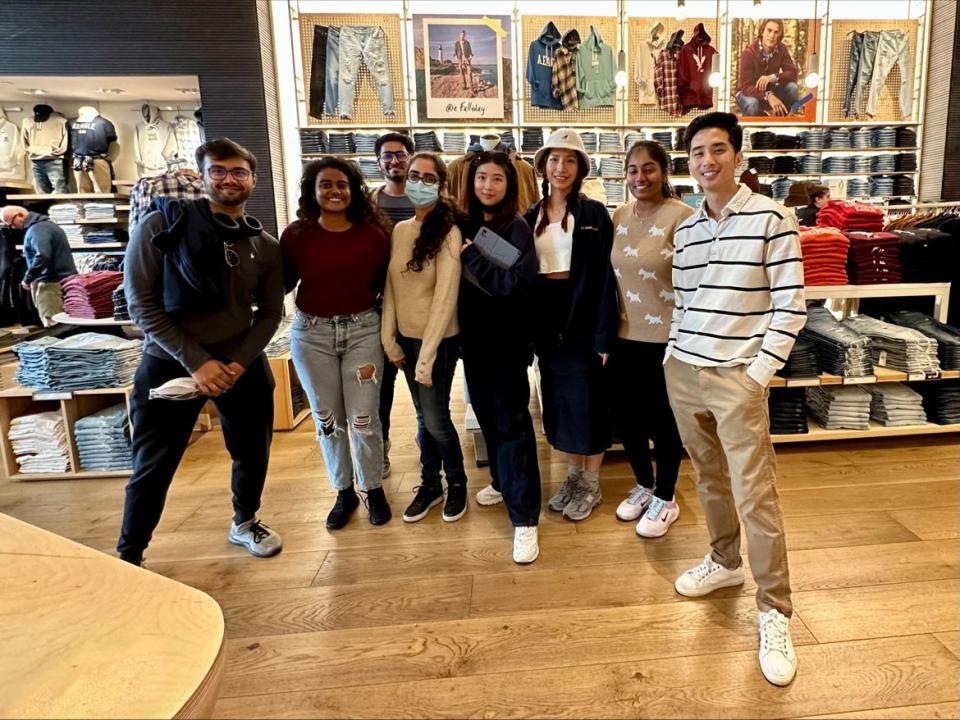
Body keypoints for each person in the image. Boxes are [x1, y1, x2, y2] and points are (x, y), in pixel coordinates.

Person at [666, 112, 805, 686]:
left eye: (717, 149)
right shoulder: (689, 231)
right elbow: (683, 301)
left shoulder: (773, 218)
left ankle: (775, 610)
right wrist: (671, 354)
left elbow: (790, 305)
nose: (706, 161)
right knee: (707, 480)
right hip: (684, 371)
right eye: (697, 153)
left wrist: (757, 375)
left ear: (738, 156)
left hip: (736, 377)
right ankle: (724, 562)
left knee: (756, 494)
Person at [117, 137, 284, 566]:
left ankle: (245, 521)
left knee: (252, 450)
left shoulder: (262, 243)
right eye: (219, 170)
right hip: (167, 362)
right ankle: (130, 553)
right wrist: (198, 362)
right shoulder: (160, 227)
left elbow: (269, 313)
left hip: (239, 364)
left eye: (238, 172)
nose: (229, 179)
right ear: (203, 176)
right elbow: (142, 305)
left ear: (253, 179)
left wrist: (236, 364)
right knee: (153, 464)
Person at [282, 157, 392, 530]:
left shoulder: (374, 236)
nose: (334, 191)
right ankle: (343, 491)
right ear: (313, 191)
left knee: (364, 419)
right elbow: (281, 283)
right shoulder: (296, 236)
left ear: (353, 190)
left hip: (363, 331)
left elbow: (383, 286)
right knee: (328, 420)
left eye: (341, 184)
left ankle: (373, 487)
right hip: (312, 336)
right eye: (325, 184)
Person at [523, 129, 616, 522]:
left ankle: (590, 483)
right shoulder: (531, 215)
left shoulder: (593, 214)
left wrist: (605, 334)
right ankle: (574, 476)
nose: (561, 168)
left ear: (580, 168)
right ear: (543, 166)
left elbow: (609, 277)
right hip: (547, 322)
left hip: (584, 318)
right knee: (560, 404)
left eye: (570, 160)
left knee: (589, 403)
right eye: (554, 160)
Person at [459, 151, 542, 563]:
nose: (487, 186)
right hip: (473, 343)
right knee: (487, 417)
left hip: (508, 345)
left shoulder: (518, 228)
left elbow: (515, 287)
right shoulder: (466, 224)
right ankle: (500, 480)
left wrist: (473, 255)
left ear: (510, 185)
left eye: (496, 179)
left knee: (512, 425)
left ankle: (525, 520)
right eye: (481, 178)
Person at [608, 141, 693, 537]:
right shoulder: (619, 215)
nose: (640, 178)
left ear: (664, 171)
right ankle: (644, 483)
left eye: (649, 169)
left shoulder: (684, 217)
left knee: (663, 422)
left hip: (667, 339)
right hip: (625, 335)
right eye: (632, 170)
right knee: (627, 419)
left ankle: (667, 496)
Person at [381, 152, 467, 523]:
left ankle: (457, 484)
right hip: (407, 342)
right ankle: (430, 484)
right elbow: (392, 290)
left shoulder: (449, 232)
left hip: (439, 343)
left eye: (428, 178)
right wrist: (390, 342)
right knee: (422, 418)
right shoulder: (400, 231)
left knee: (436, 419)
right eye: (414, 175)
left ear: (441, 186)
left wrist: (427, 355)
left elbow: (446, 298)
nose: (418, 182)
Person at [371, 132, 417, 479]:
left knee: (424, 385)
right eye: (387, 155)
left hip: (418, 307)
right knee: (380, 387)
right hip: (376, 307)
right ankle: (381, 448)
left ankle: (426, 442)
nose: (394, 161)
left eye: (400, 155)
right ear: (378, 161)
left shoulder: (428, 202)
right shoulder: (367, 206)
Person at [1, 204, 77, 327]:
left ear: (20, 215)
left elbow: (42, 255)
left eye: (11, 223)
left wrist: (28, 278)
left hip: (50, 284)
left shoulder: (37, 230)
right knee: (66, 323)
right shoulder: (47, 226)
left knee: (54, 323)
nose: (12, 227)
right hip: (64, 280)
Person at [735, 18, 800, 117]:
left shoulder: (781, 49)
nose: (772, 36)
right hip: (748, 92)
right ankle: (750, 130)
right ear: (762, 32)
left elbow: (792, 73)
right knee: (752, 103)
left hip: (770, 89)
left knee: (792, 88)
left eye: (776, 32)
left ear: (780, 35)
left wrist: (773, 77)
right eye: (769, 30)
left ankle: (786, 118)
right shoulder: (749, 52)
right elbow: (746, 86)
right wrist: (768, 96)